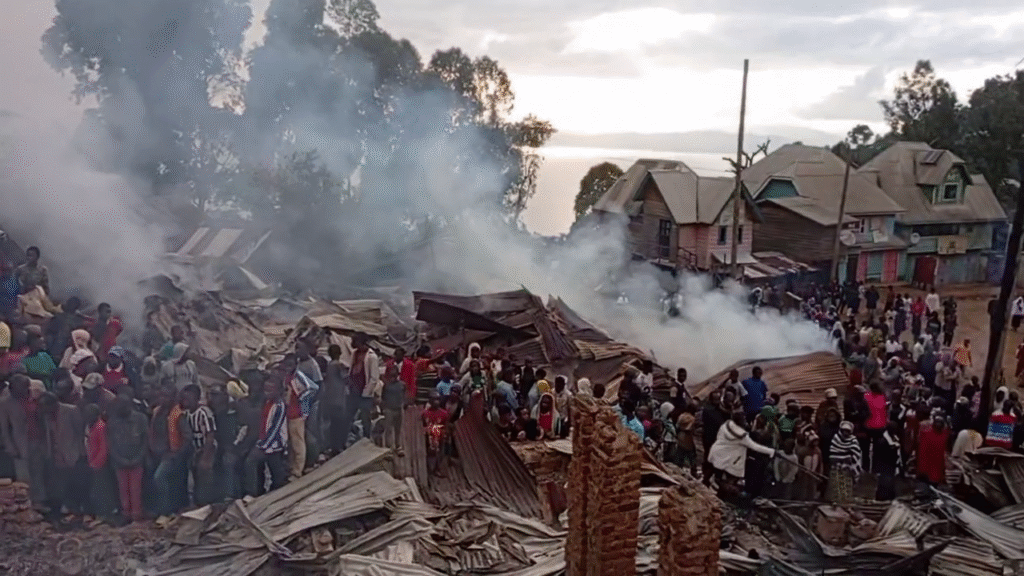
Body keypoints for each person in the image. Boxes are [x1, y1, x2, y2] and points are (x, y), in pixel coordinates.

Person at [0, 374, 46, 507]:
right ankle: (27, 504)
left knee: (39, 473)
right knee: (24, 477)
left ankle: (39, 502)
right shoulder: (5, 403)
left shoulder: (36, 397)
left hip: (38, 439)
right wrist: (10, 447)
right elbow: (4, 429)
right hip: (19, 445)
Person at [40, 392, 86, 522]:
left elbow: (80, 432)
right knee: (61, 485)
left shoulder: (71, 410)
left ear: (53, 404)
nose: (43, 410)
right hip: (56, 455)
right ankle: (65, 511)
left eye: (45, 407)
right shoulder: (46, 416)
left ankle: (78, 511)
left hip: (72, 453)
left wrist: (81, 452)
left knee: (76, 484)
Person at [708, 412, 776, 498]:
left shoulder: (725, 425)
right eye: (743, 420)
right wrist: (771, 451)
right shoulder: (742, 436)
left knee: (717, 476)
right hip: (728, 460)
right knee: (727, 480)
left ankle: (711, 492)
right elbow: (755, 446)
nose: (745, 422)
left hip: (717, 453)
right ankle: (719, 496)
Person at [150, 385, 189, 520]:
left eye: (166, 396)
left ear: (173, 398)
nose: (162, 399)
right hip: (156, 453)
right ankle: (162, 509)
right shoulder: (157, 411)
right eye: (161, 395)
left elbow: (187, 436)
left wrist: (177, 454)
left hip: (170, 454)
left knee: (159, 478)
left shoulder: (178, 414)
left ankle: (165, 510)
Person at [106, 398, 148, 522]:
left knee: (136, 489)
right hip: (119, 461)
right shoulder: (112, 421)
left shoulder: (141, 419)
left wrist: (138, 458)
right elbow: (110, 444)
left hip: (137, 460)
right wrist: (120, 459)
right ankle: (126, 514)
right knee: (123, 489)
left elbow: (145, 440)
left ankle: (136, 515)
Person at [245, 378, 288, 497]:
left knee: (273, 470)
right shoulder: (267, 402)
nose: (267, 392)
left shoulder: (280, 406)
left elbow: (275, 428)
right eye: (265, 389)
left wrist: (264, 445)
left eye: (270, 390)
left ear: (278, 391)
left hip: (274, 444)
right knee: (255, 463)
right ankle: (255, 491)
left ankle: (268, 491)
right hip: (264, 441)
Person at [339, 334, 379, 451]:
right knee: (347, 418)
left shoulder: (372, 357)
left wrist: (366, 393)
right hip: (353, 392)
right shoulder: (354, 354)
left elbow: (374, 378)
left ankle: (367, 442)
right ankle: (344, 443)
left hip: (364, 394)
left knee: (365, 419)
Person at [181, 384, 217, 506]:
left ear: (196, 397)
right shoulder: (186, 414)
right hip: (196, 450)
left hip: (208, 450)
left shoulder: (204, 412)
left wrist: (205, 458)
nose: (186, 401)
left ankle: (207, 504)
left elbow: (210, 435)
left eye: (188, 398)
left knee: (204, 476)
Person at [83, 403, 116, 523]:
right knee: (95, 491)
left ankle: (105, 514)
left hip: (100, 465)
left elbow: (104, 448)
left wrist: (97, 464)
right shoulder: (90, 426)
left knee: (102, 490)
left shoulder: (101, 427)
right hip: (92, 462)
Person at [321, 344, 350, 454]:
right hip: (339, 399)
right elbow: (346, 379)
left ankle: (333, 446)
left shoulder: (329, 365)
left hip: (330, 398)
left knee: (333, 424)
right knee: (340, 424)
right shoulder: (339, 366)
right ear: (340, 353)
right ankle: (338, 446)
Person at [828, 421, 862, 505]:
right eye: (844, 430)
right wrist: (842, 458)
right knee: (836, 484)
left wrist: (848, 460)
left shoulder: (853, 440)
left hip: (848, 468)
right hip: (836, 467)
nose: (845, 432)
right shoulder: (836, 438)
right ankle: (836, 501)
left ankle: (845, 502)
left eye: (847, 431)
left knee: (846, 485)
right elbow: (833, 453)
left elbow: (856, 454)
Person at [380, 363, 405, 456]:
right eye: (391, 375)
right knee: (388, 430)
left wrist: (403, 403)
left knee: (398, 429)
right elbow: (383, 397)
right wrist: (384, 408)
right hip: (389, 409)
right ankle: (388, 448)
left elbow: (403, 394)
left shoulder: (402, 385)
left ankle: (398, 446)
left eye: (395, 375)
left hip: (398, 409)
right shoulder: (386, 386)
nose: (393, 377)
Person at [423, 392, 450, 475]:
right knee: (429, 453)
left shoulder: (444, 413)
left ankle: (437, 469)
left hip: (439, 436)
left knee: (440, 454)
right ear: (430, 401)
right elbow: (424, 425)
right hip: (429, 436)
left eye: (437, 399)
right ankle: (428, 469)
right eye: (434, 399)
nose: (436, 401)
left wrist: (445, 435)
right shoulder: (425, 413)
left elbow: (446, 425)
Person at [917, 415, 949, 486]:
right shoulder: (926, 433)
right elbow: (922, 452)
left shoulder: (944, 434)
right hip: (929, 464)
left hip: (937, 463)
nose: (938, 425)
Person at [874, 421, 902, 501]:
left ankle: (889, 497)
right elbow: (879, 456)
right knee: (884, 483)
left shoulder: (895, 438)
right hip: (885, 465)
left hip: (892, 465)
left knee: (890, 483)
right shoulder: (882, 441)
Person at [795, 430, 822, 501]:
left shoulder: (818, 451)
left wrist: (819, 473)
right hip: (804, 475)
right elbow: (799, 463)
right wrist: (799, 473)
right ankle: (801, 501)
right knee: (803, 489)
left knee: (812, 488)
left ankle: (811, 501)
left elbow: (820, 463)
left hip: (814, 474)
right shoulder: (803, 451)